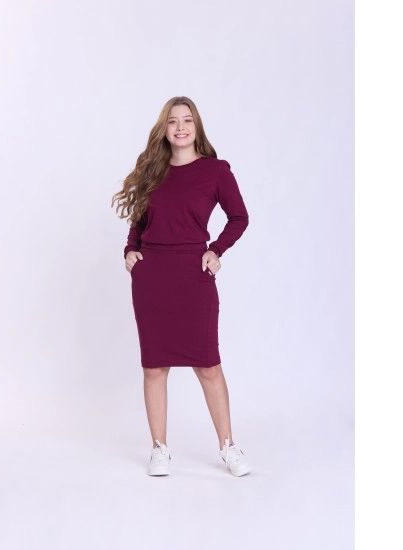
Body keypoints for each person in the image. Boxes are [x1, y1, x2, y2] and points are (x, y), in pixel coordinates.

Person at [111, 96, 251, 477]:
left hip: (193, 276)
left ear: (196, 126)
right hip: (153, 278)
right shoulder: (152, 171)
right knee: (155, 368)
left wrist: (216, 250)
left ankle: (228, 446)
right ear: (165, 129)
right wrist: (130, 250)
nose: (180, 127)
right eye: (173, 121)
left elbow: (239, 217)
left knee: (208, 365)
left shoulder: (216, 171)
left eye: (187, 120)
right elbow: (139, 222)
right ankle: (159, 448)